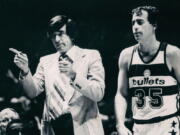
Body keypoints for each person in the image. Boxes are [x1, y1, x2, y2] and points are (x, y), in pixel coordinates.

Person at [10, 15, 105, 135]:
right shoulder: (45, 61)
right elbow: (32, 92)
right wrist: (25, 70)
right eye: (53, 36)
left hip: (83, 130)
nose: (57, 39)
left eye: (60, 33)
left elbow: (98, 93)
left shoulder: (91, 56)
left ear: (71, 34)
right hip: (53, 130)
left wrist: (74, 76)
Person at [114, 6, 180, 135]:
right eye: (133, 23)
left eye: (140, 22)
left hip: (168, 126)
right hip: (139, 128)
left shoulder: (172, 54)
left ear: (154, 25)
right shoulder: (126, 56)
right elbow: (121, 94)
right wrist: (120, 124)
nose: (135, 27)